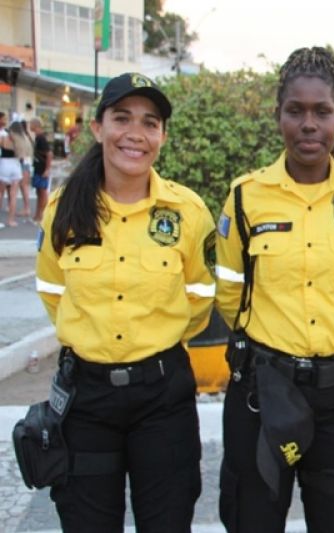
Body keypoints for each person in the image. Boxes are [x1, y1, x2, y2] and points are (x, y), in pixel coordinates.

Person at [214, 46, 334, 533]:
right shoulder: (245, 196)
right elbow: (230, 292)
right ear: (278, 115)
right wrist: (271, 338)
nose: (309, 124)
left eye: (322, 111)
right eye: (295, 111)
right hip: (262, 394)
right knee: (252, 520)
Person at [34, 72, 216, 532]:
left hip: (163, 398)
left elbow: (200, 294)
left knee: (168, 523)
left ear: (162, 136)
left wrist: (156, 338)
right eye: (122, 118)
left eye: (150, 123)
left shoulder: (188, 213)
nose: (136, 133)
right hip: (86, 400)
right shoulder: (63, 209)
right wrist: (93, 336)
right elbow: (53, 290)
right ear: (98, 128)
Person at [0, 114, 23, 227]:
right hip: (16, 166)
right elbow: (22, 156)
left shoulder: (3, 138)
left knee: (1, 193)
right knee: (13, 195)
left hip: (4, 165)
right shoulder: (20, 141)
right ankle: (11, 220)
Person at [30, 118, 52, 223]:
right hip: (38, 168)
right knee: (39, 192)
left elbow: (49, 154)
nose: (29, 126)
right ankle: (37, 215)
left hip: (42, 169)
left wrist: (47, 169)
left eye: (31, 124)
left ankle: (43, 216)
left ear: (35, 125)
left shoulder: (41, 138)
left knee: (42, 193)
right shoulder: (37, 138)